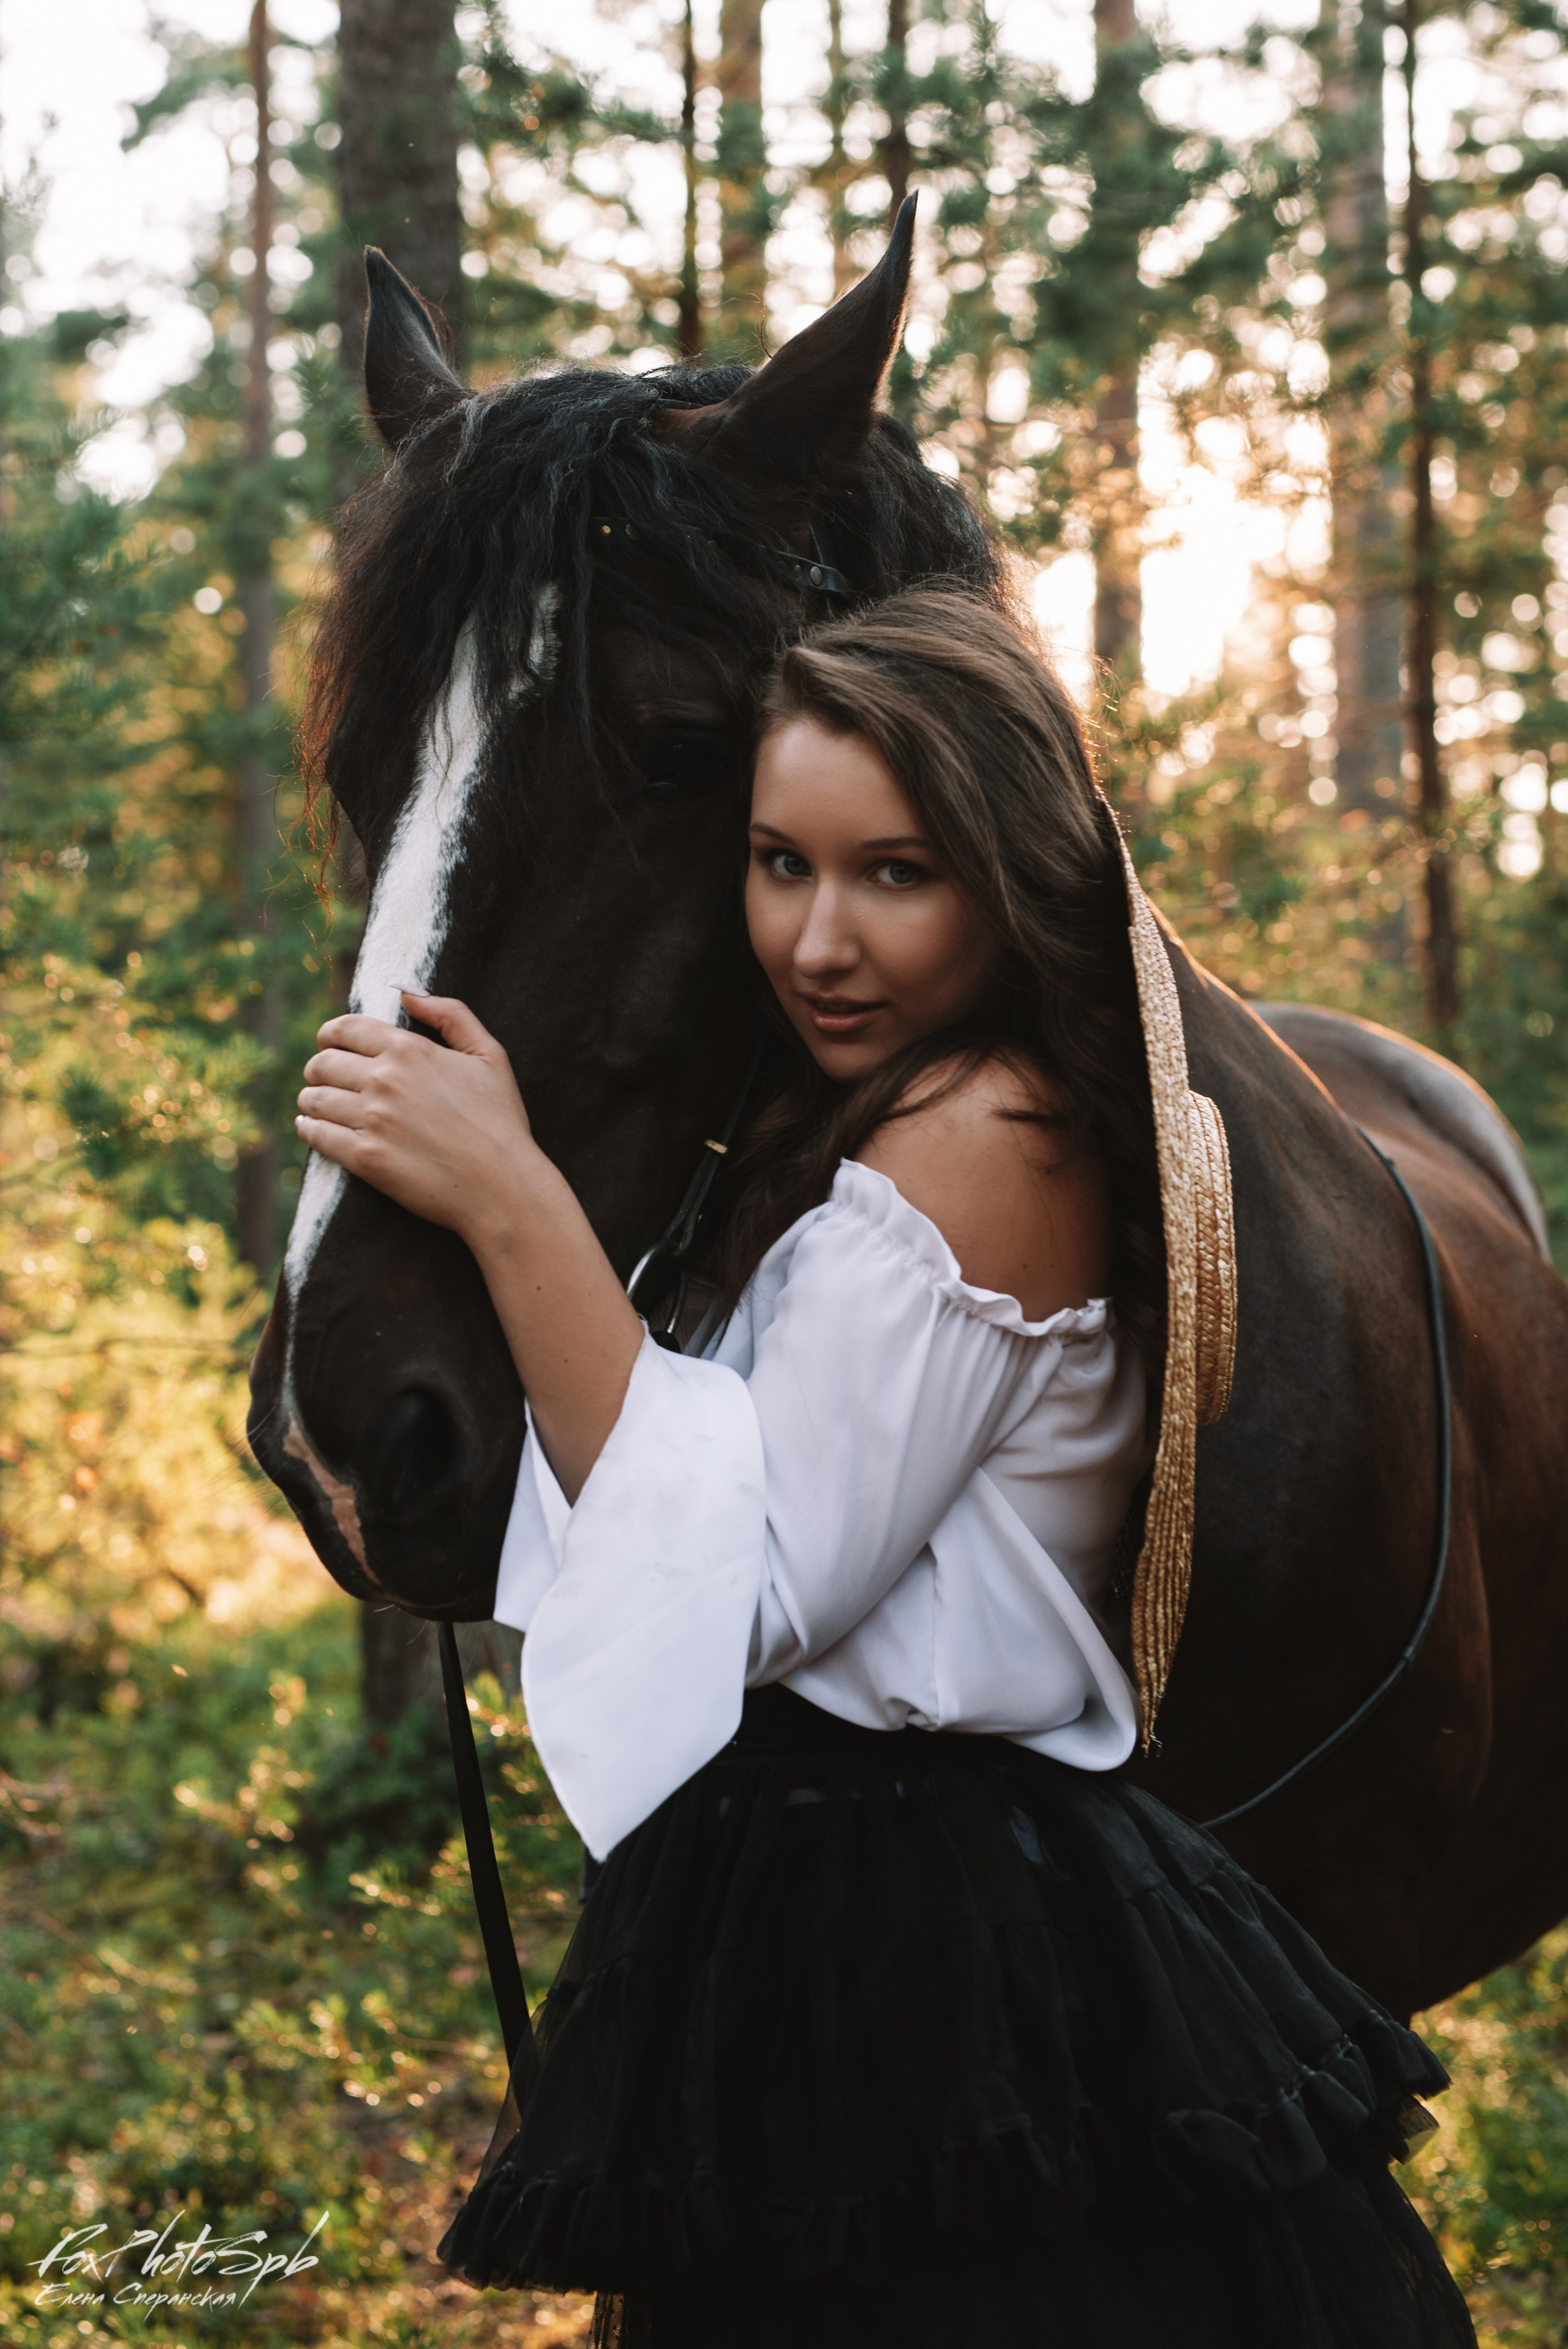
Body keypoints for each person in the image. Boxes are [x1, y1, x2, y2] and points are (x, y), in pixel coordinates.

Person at [295, 586, 1475, 2348]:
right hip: (810, 1877)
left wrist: (511, 1195)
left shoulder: (995, 1137)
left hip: (935, 1916)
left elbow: (755, 1582)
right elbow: (678, 1480)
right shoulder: (861, 1119)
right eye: (779, 862)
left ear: (1011, 876)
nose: (817, 940)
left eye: (895, 874)